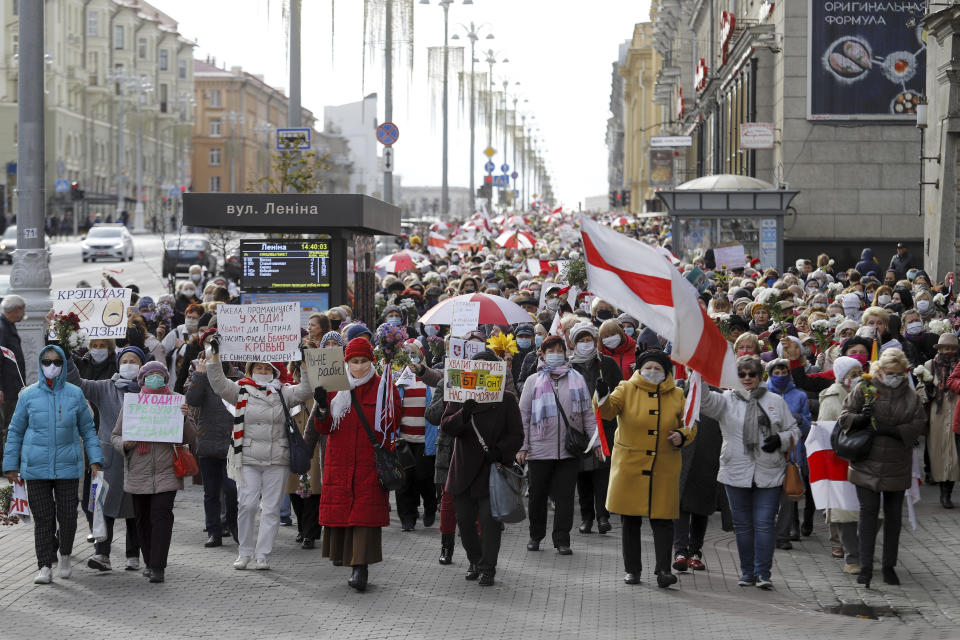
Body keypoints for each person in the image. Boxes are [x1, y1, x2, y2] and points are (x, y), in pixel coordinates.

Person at [205, 335, 314, 571]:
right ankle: (244, 552)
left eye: (267, 368)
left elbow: (306, 389)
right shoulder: (241, 390)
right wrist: (214, 355)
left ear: (274, 371)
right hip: (248, 458)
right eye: (258, 367)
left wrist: (304, 363)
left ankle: (263, 554)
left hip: (278, 459)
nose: (263, 371)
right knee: (247, 505)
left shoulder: (283, 391)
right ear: (250, 369)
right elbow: (218, 383)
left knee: (272, 508)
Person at [3, 345, 103, 584]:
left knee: (68, 516)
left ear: (63, 365)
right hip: (35, 467)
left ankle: (65, 554)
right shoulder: (27, 395)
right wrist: (10, 465)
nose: (52, 366)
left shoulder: (75, 394)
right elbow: (15, 431)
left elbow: (88, 430)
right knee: (43, 518)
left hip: (68, 466)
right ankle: (44, 565)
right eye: (47, 361)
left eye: (57, 362)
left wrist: (96, 460)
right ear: (40, 364)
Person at [700, 355, 800, 590]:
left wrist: (781, 439)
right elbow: (704, 401)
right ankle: (747, 573)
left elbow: (794, 430)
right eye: (741, 374)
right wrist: (697, 373)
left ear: (760, 376)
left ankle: (763, 573)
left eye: (751, 374)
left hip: (769, 471)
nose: (746, 378)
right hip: (735, 470)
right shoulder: (725, 400)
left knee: (764, 524)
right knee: (743, 526)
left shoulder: (775, 400)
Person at [597, 349, 694, 587]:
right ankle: (632, 570)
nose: (652, 371)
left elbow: (690, 424)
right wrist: (601, 396)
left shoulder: (678, 394)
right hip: (630, 465)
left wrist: (682, 436)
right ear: (639, 369)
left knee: (662, 520)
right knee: (630, 520)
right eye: (648, 367)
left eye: (658, 368)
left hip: (664, 466)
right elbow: (608, 411)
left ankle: (663, 570)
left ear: (666, 371)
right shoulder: (626, 388)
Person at [312, 337, 400, 591]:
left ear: (371, 361)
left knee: (364, 516)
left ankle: (360, 568)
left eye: (363, 361)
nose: (359, 366)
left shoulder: (384, 386)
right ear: (345, 362)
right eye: (353, 361)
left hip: (369, 463)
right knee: (344, 512)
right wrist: (321, 407)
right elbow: (324, 427)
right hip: (340, 461)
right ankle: (347, 559)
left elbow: (393, 422)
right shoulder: (334, 388)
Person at [838, 348, 925, 588]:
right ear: (880, 371)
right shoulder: (865, 389)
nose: (893, 377)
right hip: (866, 462)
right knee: (868, 515)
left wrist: (894, 430)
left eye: (898, 373)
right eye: (889, 372)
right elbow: (844, 415)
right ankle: (865, 567)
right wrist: (860, 419)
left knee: (894, 517)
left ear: (905, 371)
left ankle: (889, 566)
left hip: (897, 464)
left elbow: (919, 424)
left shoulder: (911, 396)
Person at [440, 349, 524, 586]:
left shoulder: (506, 400)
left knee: (489, 523)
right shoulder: (458, 397)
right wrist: (463, 413)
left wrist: (501, 451)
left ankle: (488, 567)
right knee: (465, 522)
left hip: (493, 471)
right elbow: (446, 426)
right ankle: (474, 560)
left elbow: (517, 435)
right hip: (463, 471)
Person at [111, 361, 196, 583]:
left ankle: (158, 566)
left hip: (167, 472)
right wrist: (126, 444)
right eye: (150, 375)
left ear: (166, 378)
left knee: (161, 518)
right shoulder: (133, 404)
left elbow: (190, 437)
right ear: (142, 379)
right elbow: (115, 436)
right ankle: (149, 561)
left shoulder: (177, 401)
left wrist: (184, 418)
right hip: (138, 472)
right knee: (143, 520)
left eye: (159, 374)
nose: (155, 378)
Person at [65, 345, 146, 572]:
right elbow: (78, 384)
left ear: (142, 365)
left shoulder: (149, 391)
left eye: (134, 361)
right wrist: (67, 355)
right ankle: (102, 554)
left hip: (138, 459)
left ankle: (133, 554)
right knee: (100, 506)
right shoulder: (105, 388)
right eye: (125, 361)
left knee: (135, 509)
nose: (129, 365)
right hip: (107, 459)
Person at [518, 335, 600, 555]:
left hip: (568, 450)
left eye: (559, 350)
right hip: (538, 450)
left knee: (565, 498)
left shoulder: (577, 379)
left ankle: (562, 539)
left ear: (566, 353)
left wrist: (596, 443)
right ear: (542, 354)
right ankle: (535, 536)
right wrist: (523, 446)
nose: (555, 354)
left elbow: (587, 415)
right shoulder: (532, 381)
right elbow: (523, 416)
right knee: (537, 497)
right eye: (550, 350)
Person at [567, 322, 622, 535]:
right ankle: (586, 517)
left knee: (602, 472)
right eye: (581, 340)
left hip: (604, 425)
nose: (585, 344)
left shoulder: (605, 364)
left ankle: (603, 516)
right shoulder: (570, 366)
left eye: (589, 339)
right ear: (573, 343)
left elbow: (620, 391)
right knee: (583, 475)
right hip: (579, 427)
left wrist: (606, 394)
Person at [185, 349, 240, 547]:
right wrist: (199, 374)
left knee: (232, 490)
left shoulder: (238, 378)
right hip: (207, 441)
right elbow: (192, 399)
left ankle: (233, 524)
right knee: (211, 492)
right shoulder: (203, 376)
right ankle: (213, 531)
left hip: (232, 444)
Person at [815, 356, 864, 572]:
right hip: (840, 457)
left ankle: (858, 546)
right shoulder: (832, 396)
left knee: (860, 507)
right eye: (852, 375)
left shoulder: (866, 394)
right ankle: (845, 549)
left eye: (859, 373)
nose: (857, 379)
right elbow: (826, 429)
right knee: (841, 507)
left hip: (861, 456)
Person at [764, 359, 812, 551]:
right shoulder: (764, 394)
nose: (781, 376)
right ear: (770, 373)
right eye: (777, 372)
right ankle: (766, 531)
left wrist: (800, 420)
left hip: (792, 450)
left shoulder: (799, 396)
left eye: (784, 372)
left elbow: (807, 426)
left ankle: (784, 533)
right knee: (768, 495)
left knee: (788, 492)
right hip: (769, 448)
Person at [395, 339, 439, 531]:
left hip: (424, 439)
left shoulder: (431, 378)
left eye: (413, 352)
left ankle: (430, 507)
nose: (410, 356)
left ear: (422, 354)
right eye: (406, 352)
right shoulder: (400, 378)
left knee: (423, 477)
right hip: (404, 438)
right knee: (404, 481)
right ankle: (407, 517)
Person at [920, 333, 960, 509]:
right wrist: (927, 387)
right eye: (945, 348)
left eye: (952, 348)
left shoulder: (958, 365)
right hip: (937, 413)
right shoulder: (930, 365)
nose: (948, 351)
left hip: (957, 411)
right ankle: (943, 492)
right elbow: (921, 393)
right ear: (939, 348)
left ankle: (949, 491)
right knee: (940, 454)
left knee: (955, 455)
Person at [0, 294, 26, 451]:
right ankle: (4, 464)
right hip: (6, 390)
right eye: (23, 310)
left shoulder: (7, 325)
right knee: (7, 427)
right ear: (17, 309)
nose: (23, 314)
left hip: (12, 388)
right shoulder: (2, 328)